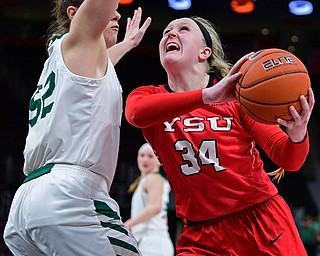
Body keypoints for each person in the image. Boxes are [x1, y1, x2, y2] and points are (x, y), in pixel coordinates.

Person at [125, 16, 315, 255]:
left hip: (260, 220)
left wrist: (298, 135)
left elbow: (289, 160)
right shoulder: (149, 96)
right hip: (201, 233)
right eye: (166, 31)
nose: (170, 34)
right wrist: (207, 96)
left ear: (205, 52)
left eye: (183, 29)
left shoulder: (238, 101)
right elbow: (135, 114)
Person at [3, 0, 151, 255]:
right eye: (110, 10)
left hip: (26, 203)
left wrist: (126, 45)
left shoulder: (69, 62)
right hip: (68, 194)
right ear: (75, 14)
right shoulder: (78, 41)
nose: (116, 14)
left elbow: (102, 68)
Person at [124, 143, 175, 256]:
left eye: (150, 156)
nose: (144, 159)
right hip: (154, 241)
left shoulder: (153, 178)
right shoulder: (152, 179)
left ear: (159, 161)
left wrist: (127, 224)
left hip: (152, 243)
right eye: (141, 155)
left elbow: (155, 207)